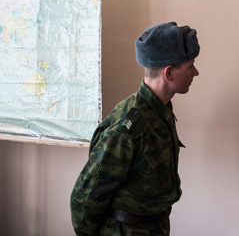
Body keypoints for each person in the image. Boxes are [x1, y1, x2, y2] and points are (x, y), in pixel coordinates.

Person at [70, 22, 200, 236]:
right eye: (190, 66)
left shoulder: (160, 110)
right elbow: (84, 199)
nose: (196, 72)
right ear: (168, 73)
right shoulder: (128, 127)